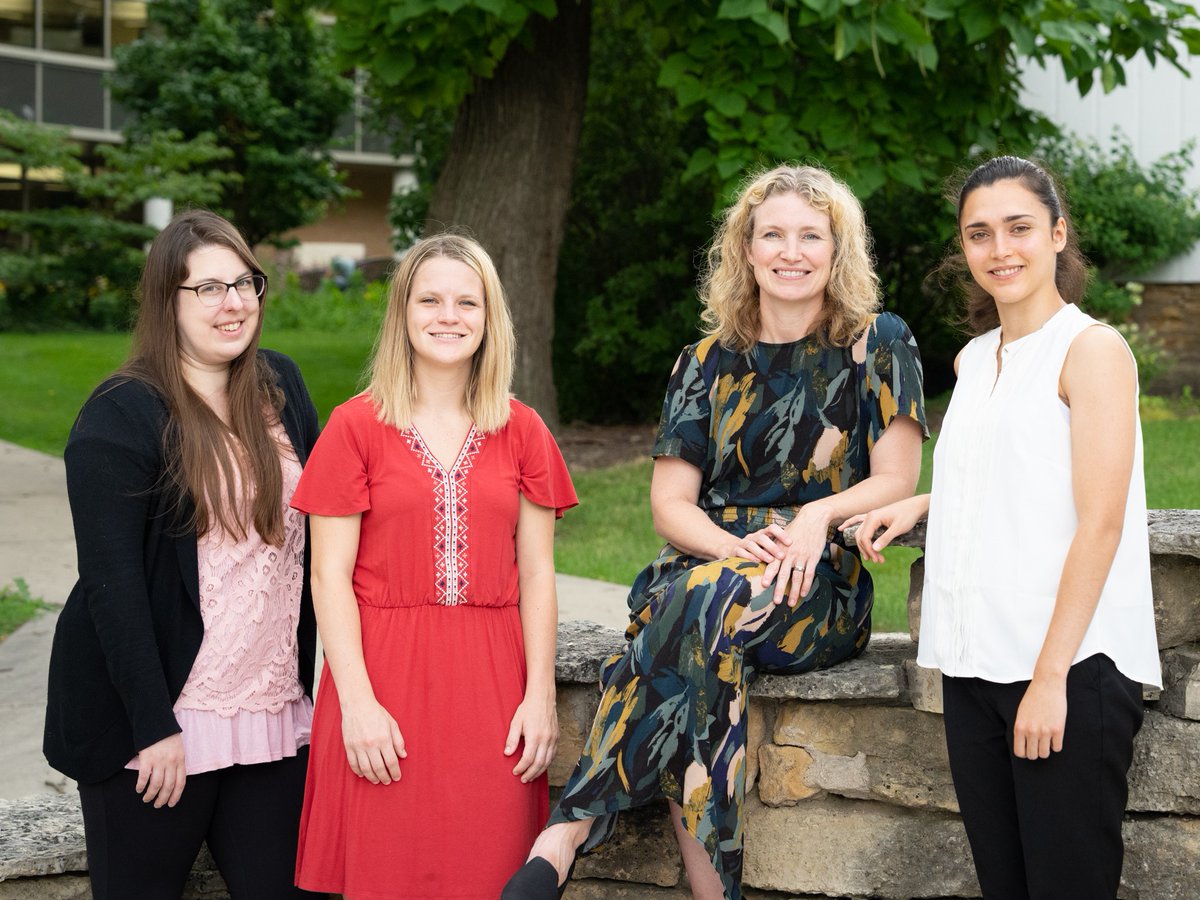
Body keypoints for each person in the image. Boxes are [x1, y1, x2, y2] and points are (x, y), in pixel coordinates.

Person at [503, 164, 928, 900]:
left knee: (694, 618)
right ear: (746, 249)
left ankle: (568, 829)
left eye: (810, 235)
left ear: (838, 249)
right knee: (704, 643)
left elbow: (895, 479)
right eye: (772, 235)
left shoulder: (878, 343)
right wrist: (736, 548)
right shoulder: (702, 362)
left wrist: (814, 518)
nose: (790, 252)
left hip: (815, 583)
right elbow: (671, 504)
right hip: (714, 568)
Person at [842, 156, 1162, 899]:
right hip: (975, 671)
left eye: (1019, 228)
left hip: (1066, 671)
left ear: (1057, 232)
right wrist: (922, 505)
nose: (1000, 249)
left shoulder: (1092, 351)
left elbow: (1102, 522)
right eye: (979, 234)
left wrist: (1050, 681)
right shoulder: (975, 357)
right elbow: (1005, 481)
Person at [43, 210, 322, 899]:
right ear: (167, 300)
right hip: (158, 725)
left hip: (271, 713)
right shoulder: (121, 413)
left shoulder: (279, 387)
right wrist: (153, 728)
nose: (233, 304)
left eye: (245, 283)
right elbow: (113, 586)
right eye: (208, 289)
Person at [290, 233, 578, 899]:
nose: (448, 316)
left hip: (493, 689)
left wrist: (541, 698)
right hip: (381, 685)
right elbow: (327, 576)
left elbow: (537, 574)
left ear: (489, 317)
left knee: (492, 871)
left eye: (466, 302)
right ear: (402, 313)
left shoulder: (524, 430)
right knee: (385, 874)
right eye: (430, 300)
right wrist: (357, 705)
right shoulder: (353, 427)